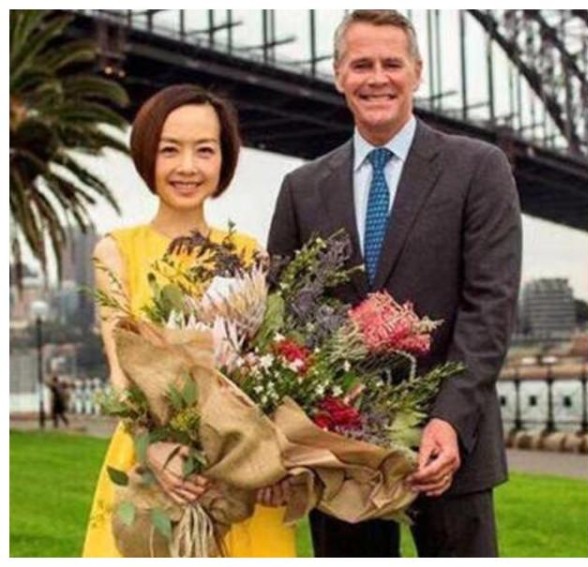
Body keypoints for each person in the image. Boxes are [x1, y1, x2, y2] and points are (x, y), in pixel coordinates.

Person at [267, 10, 521, 558]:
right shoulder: (300, 188)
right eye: (361, 65)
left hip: (449, 448)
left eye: (392, 63)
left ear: (417, 72)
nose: (377, 78)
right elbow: (282, 318)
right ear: (338, 74)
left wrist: (450, 420)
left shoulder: (479, 168)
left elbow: (490, 306)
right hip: (338, 453)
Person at [82, 84, 296, 557]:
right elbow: (121, 371)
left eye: (204, 150)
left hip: (239, 472)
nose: (187, 167)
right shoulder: (117, 251)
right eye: (169, 150)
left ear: (224, 159)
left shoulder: (249, 254)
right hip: (151, 464)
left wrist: (276, 461)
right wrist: (154, 447)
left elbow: (269, 369)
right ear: (146, 155)